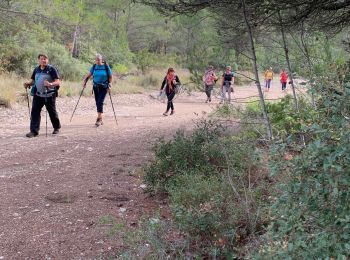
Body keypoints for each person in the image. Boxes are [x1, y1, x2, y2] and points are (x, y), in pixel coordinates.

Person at [23, 54, 61, 138]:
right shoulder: (36, 69)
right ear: (38, 60)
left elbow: (58, 82)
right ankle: (33, 131)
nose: (44, 60)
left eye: (45, 59)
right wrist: (28, 83)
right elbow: (33, 81)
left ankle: (56, 127)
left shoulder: (52, 69)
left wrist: (50, 84)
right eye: (42, 59)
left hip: (49, 94)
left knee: (52, 112)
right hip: (38, 94)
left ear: (47, 60)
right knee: (35, 112)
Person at [82, 54, 113, 126]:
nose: (98, 61)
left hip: (104, 87)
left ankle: (98, 119)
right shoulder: (94, 66)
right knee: (97, 103)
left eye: (99, 60)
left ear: (102, 60)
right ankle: (101, 118)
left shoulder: (106, 66)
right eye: (96, 60)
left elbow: (110, 76)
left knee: (100, 102)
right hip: (95, 87)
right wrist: (84, 82)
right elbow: (89, 75)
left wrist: (110, 84)